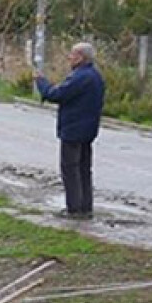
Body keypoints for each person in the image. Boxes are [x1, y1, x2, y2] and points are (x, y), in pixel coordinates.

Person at [34, 42, 105, 219]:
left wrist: (41, 82)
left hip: (73, 129)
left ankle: (74, 208)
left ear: (81, 57)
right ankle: (85, 207)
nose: (69, 58)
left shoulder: (80, 77)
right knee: (83, 170)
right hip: (88, 130)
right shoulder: (95, 76)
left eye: (72, 55)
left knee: (71, 170)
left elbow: (57, 95)